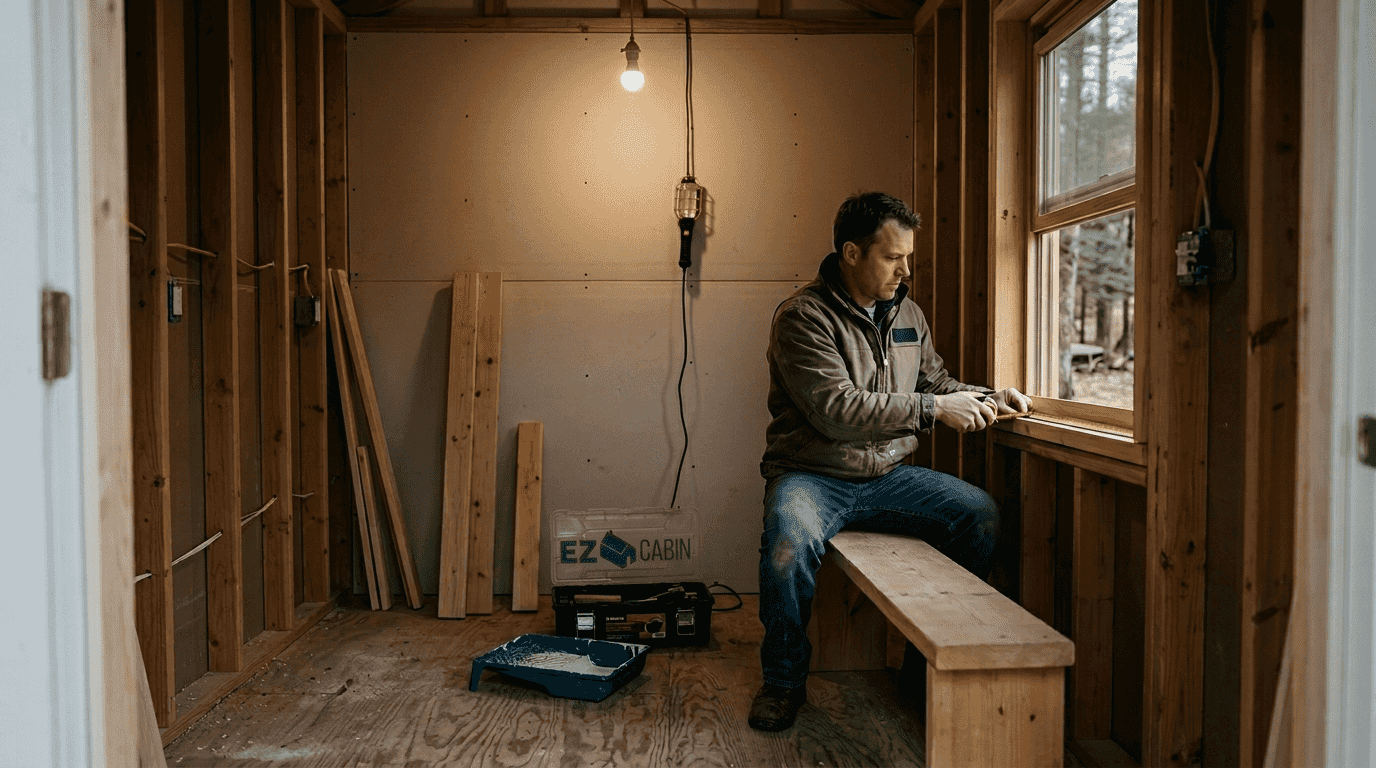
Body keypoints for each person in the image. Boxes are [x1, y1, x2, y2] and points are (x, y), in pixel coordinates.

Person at [749, 191, 1030, 732]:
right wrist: (934, 410)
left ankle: (921, 673)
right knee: (787, 545)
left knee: (979, 515)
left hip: (887, 477)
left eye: (908, 258)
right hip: (812, 476)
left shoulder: (908, 314)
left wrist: (989, 396)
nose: (905, 271)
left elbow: (935, 383)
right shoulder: (803, 318)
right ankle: (782, 682)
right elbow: (836, 410)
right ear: (852, 253)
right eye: (892, 257)